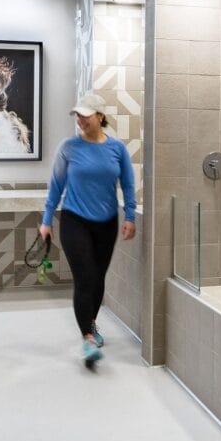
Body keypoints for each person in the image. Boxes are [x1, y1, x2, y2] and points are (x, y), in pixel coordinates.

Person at [38, 92, 137, 368]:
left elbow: (128, 184)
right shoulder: (68, 148)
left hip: (106, 223)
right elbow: (56, 185)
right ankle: (88, 339)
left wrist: (130, 215)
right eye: (78, 116)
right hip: (74, 220)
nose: (80, 120)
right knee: (85, 278)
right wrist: (47, 220)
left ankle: (90, 323)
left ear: (100, 116)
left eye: (85, 115)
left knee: (98, 278)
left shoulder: (117, 149)